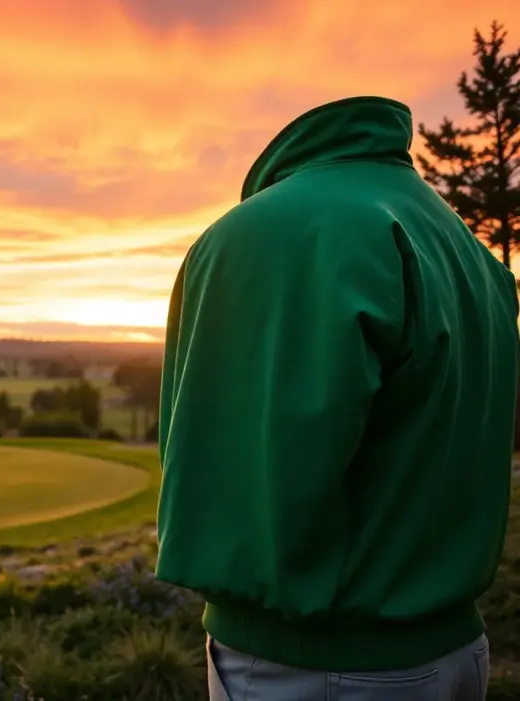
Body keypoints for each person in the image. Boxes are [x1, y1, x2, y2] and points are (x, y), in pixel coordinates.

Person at [156, 96, 519, 700]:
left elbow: (252, 493)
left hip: (314, 667)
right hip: (455, 651)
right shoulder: (461, 244)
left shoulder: (273, 232)